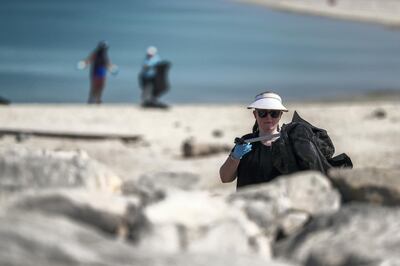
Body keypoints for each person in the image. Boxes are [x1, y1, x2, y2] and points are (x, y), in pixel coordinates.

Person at [219, 91, 352, 189]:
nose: (268, 118)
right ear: (255, 114)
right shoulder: (246, 142)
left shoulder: (293, 143)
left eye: (274, 113)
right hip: (246, 209)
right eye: (263, 113)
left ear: (281, 115)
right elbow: (225, 178)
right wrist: (235, 157)